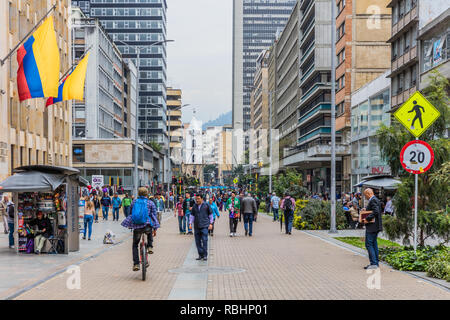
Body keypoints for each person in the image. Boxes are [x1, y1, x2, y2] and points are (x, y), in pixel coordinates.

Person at [121, 187, 160, 271]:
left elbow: (131, 213)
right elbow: (154, 215)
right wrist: (155, 228)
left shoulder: (134, 202)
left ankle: (136, 264)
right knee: (149, 232)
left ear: (138, 193)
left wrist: (130, 224)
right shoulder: (150, 202)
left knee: (135, 244)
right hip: (147, 226)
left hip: (137, 227)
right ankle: (150, 247)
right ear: (147, 194)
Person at [361, 188, 383, 270]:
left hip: (372, 227)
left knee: (369, 244)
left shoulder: (373, 200)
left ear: (368, 194)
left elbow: (375, 211)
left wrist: (367, 219)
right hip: (375, 226)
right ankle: (375, 263)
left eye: (365, 195)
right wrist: (366, 210)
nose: (365, 197)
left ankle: (374, 263)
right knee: (374, 244)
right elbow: (374, 210)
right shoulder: (375, 199)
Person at [189, 194, 214, 261]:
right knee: (197, 242)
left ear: (202, 199)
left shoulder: (206, 205)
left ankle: (205, 255)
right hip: (197, 226)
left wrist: (211, 223)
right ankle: (200, 254)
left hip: (205, 225)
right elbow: (192, 215)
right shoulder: (194, 206)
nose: (197, 200)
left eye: (198, 199)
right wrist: (190, 223)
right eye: (196, 199)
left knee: (204, 240)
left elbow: (211, 215)